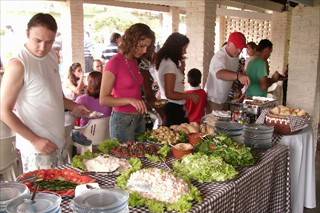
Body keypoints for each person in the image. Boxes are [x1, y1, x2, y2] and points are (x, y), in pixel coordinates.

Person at [0, 13, 90, 172]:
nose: (43, 47)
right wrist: (35, 140)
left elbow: (55, 96)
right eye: (38, 40)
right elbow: (3, 111)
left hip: (59, 144)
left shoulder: (52, 56)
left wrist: (73, 106)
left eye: (49, 42)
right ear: (27, 33)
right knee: (44, 196)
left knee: (63, 194)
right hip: (38, 150)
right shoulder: (18, 64)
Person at [100, 23, 155, 142]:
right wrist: (129, 100)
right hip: (122, 120)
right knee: (125, 159)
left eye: (147, 46)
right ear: (131, 41)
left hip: (139, 117)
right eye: (141, 46)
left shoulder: (135, 61)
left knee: (139, 157)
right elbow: (103, 99)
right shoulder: (114, 63)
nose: (144, 50)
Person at [155, 32, 199, 126]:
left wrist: (181, 70)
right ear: (176, 48)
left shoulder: (168, 63)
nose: (185, 52)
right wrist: (190, 96)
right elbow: (170, 93)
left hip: (174, 106)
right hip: (172, 108)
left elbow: (176, 84)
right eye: (184, 48)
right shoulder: (169, 64)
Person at [205, 32, 250, 112]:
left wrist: (242, 78)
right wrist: (238, 76)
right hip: (214, 101)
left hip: (225, 98)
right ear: (229, 44)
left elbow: (232, 74)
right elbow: (219, 74)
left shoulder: (235, 56)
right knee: (213, 124)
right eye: (237, 47)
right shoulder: (220, 57)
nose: (239, 50)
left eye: (241, 48)